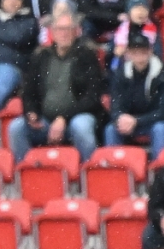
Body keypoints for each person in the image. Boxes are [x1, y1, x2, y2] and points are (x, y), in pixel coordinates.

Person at [10, 10, 105, 161]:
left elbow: (92, 98)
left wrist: (63, 118)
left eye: (68, 29)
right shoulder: (41, 57)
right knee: (16, 127)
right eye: (60, 29)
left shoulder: (87, 56)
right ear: (52, 32)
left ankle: (90, 169)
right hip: (46, 121)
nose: (64, 33)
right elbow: (28, 92)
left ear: (76, 31)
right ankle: (26, 171)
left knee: (81, 127)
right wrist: (31, 112)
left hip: (77, 117)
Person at [105, 30, 164, 154]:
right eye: (135, 52)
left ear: (150, 51)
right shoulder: (120, 73)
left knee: (160, 129)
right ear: (128, 53)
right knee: (111, 129)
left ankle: (159, 165)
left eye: (143, 51)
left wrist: (137, 120)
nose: (139, 56)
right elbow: (115, 104)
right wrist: (120, 118)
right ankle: (113, 164)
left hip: (158, 121)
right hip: (131, 122)